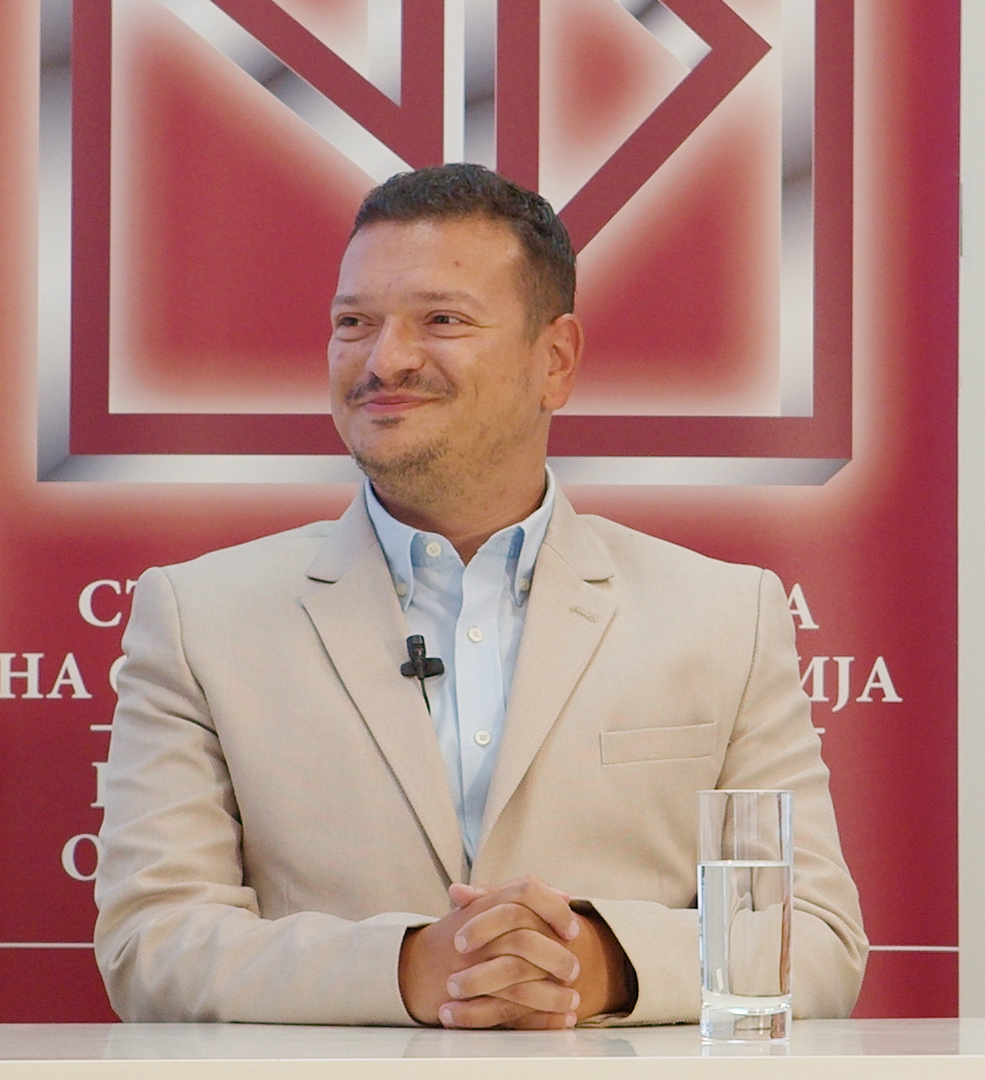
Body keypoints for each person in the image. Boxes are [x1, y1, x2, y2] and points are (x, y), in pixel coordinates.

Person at [93, 163, 866, 1028]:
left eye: (442, 321)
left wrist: (598, 964)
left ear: (555, 361)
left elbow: (818, 940)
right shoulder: (199, 619)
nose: (385, 360)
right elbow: (150, 943)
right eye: (354, 323)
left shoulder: (724, 616)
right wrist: (405, 969)